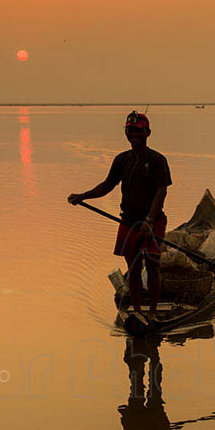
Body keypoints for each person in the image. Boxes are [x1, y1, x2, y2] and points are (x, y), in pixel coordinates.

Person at [68, 111, 173, 321]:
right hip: (128, 220)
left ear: (147, 133)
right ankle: (136, 311)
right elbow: (107, 185)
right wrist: (83, 196)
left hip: (153, 221)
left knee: (152, 266)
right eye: (129, 131)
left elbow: (161, 192)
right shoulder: (122, 159)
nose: (133, 135)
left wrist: (150, 220)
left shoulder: (157, 160)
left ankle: (152, 313)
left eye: (137, 131)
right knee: (133, 268)